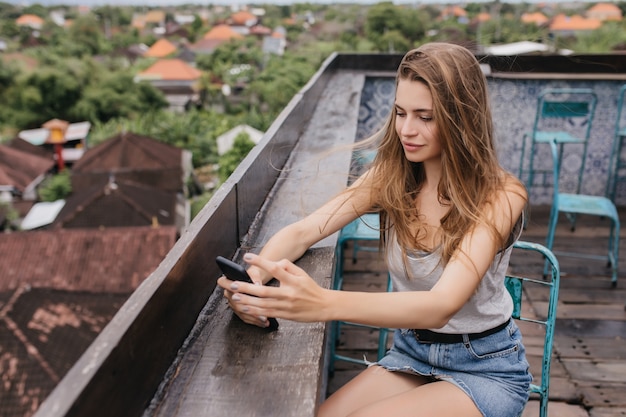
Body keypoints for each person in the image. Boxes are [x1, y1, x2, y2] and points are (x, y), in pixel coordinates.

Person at [217, 42, 531, 417]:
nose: (407, 130)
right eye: (400, 113)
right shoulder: (391, 177)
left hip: (485, 368)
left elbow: (440, 306)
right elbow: (302, 232)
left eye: (425, 117)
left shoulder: (501, 195)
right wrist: (252, 284)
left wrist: (323, 303)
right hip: (413, 354)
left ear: (460, 117)